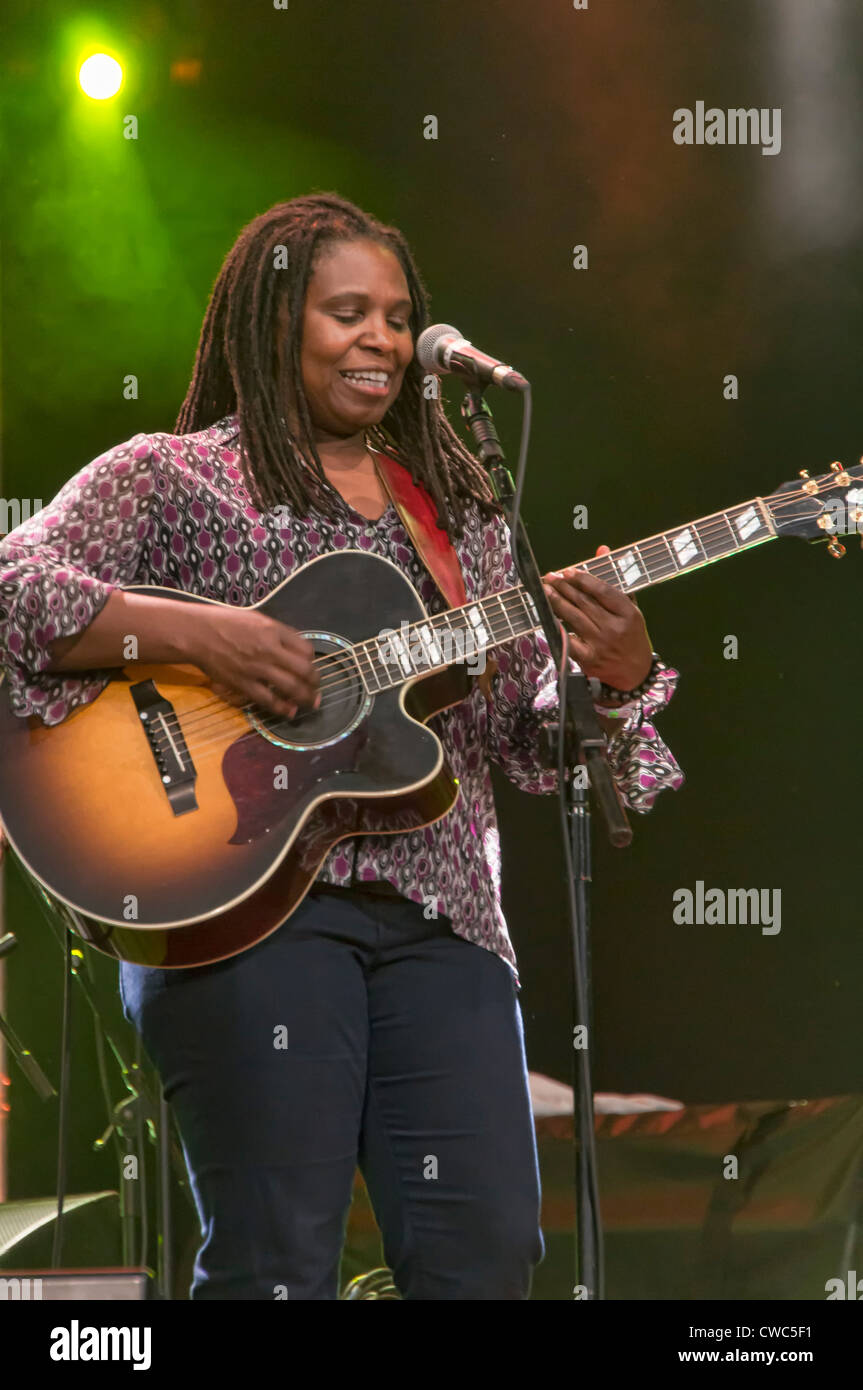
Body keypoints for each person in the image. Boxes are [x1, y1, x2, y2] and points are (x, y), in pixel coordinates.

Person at [0, 193, 683, 1300]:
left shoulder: (457, 511)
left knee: (486, 1254)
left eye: (397, 316)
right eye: (346, 312)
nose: (380, 339)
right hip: (240, 903)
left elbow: (522, 740)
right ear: (275, 328)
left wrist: (613, 681)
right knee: (276, 1260)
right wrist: (203, 633)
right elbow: (13, 588)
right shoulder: (173, 476)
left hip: (443, 922)